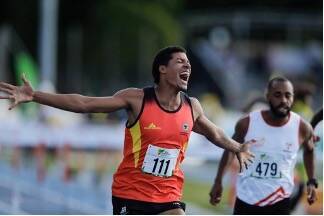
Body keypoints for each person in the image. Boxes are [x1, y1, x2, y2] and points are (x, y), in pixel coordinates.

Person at [0, 46, 254, 215]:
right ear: (162, 69)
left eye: (189, 63)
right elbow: (84, 103)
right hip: (131, 193)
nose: (187, 66)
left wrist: (238, 147)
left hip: (168, 194)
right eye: (180, 62)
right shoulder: (137, 99)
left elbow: (215, 133)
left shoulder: (192, 106)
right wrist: (35, 96)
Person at [209, 76, 318, 215]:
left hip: (280, 199)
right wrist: (218, 181)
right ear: (267, 96)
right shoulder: (247, 123)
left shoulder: (302, 127)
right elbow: (231, 150)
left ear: (293, 98)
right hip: (247, 199)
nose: (283, 100)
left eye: (288, 95)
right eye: (277, 95)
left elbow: (309, 151)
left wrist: (311, 181)